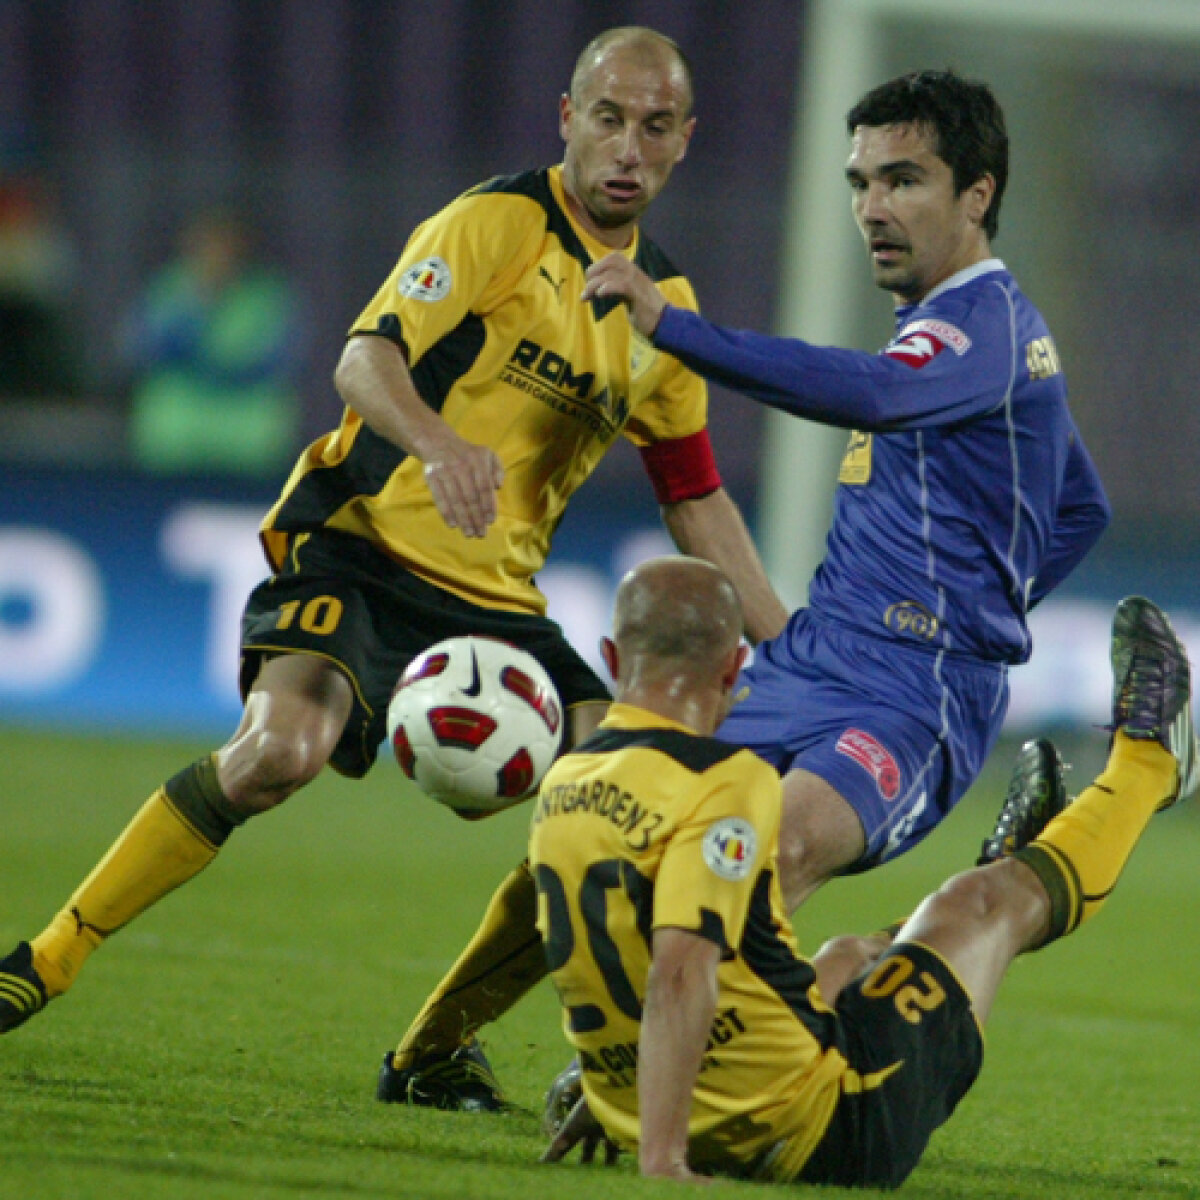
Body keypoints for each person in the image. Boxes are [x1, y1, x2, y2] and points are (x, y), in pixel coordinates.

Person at [0, 26, 786, 1068]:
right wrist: (439, 442)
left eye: (654, 127)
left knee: (614, 797)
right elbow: (363, 360)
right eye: (608, 119)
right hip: (362, 546)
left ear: (686, 139)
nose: (627, 149)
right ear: (567, 118)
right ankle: (48, 956)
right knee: (280, 753)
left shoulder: (666, 311)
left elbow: (693, 494)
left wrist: (792, 641)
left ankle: (432, 1051)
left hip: (498, 601)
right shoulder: (495, 223)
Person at [387, 67, 1113, 1112]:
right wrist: (999, 585)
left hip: (913, 696)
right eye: (861, 181)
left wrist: (669, 324)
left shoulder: (984, 324)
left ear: (978, 194)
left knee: (766, 852)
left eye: (904, 180)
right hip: (811, 657)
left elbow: (872, 394)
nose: (872, 207)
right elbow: (1080, 503)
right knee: (591, 833)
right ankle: (430, 1051)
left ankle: (640, 1081)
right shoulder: (958, 335)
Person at [535, 557, 1197, 1186]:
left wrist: (622, 1088)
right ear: (737, 665)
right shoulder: (724, 781)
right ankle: (1151, 765)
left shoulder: (569, 780)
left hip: (680, 1100)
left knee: (849, 956)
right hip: (825, 1131)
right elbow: (680, 971)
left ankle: (973, 922)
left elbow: (616, 950)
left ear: (612, 658)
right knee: (983, 904)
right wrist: (661, 1155)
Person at [122, 206, 304, 478]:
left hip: (245, 431)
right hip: (177, 428)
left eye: (224, 245)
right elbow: (143, 350)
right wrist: (196, 303)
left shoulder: (269, 295)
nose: (216, 254)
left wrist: (217, 368)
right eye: (207, 244)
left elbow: (278, 360)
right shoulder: (168, 288)